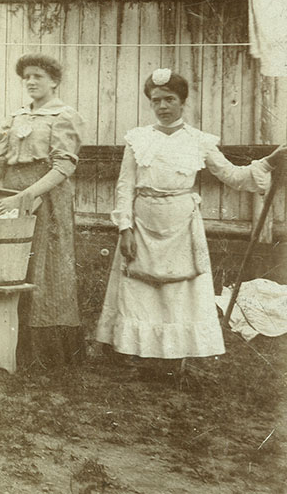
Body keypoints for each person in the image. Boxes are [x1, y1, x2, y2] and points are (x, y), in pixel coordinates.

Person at [95, 69, 286, 369]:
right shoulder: (138, 139)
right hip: (142, 223)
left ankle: (174, 352)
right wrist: (125, 228)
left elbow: (233, 176)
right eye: (156, 100)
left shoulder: (199, 140)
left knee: (178, 290)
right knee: (139, 287)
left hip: (181, 225)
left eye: (169, 99)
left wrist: (270, 161)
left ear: (183, 101)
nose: (162, 106)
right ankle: (133, 348)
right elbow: (124, 187)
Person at [0, 53, 84, 366]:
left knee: (46, 270)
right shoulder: (16, 117)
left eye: (38, 76)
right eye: (27, 77)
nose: (32, 82)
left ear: (54, 81)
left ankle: (46, 353)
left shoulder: (64, 116)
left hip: (46, 202)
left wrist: (24, 197)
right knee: (11, 266)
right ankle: (7, 346)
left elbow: (63, 167)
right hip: (10, 200)